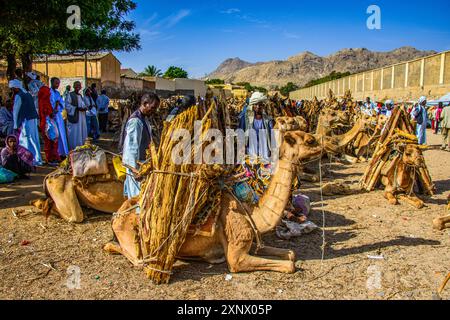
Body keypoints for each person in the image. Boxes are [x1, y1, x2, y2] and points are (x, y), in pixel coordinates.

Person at [122, 93, 160, 200]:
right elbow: (131, 148)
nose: (154, 111)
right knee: (137, 197)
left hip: (142, 164)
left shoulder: (144, 119)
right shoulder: (136, 121)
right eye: (153, 108)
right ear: (145, 103)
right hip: (137, 167)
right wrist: (134, 170)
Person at [9, 79, 42, 165]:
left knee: (27, 139)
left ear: (16, 88)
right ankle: (37, 158)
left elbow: (16, 111)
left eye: (12, 89)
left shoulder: (19, 96)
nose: (12, 91)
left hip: (26, 120)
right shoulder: (28, 94)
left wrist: (15, 125)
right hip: (33, 119)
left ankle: (29, 159)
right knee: (34, 138)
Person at [239, 92, 274, 162]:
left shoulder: (268, 120)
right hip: (250, 151)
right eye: (256, 104)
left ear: (263, 106)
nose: (258, 107)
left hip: (265, 152)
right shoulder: (246, 119)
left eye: (260, 105)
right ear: (252, 105)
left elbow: (271, 136)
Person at [38, 85, 60, 164]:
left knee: (51, 141)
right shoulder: (44, 102)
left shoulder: (44, 101)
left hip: (47, 123)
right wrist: (56, 106)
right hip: (47, 124)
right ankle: (50, 158)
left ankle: (52, 157)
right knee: (50, 141)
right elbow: (49, 113)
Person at [65, 81, 88, 150]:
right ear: (74, 86)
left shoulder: (80, 96)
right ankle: (73, 147)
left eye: (79, 85)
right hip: (75, 117)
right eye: (76, 85)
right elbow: (67, 105)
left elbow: (82, 104)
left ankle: (81, 146)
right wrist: (76, 108)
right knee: (74, 133)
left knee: (81, 131)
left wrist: (84, 108)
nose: (78, 87)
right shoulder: (70, 95)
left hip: (81, 117)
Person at [50, 77, 69, 158]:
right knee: (54, 134)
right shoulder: (49, 93)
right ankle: (55, 153)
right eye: (56, 83)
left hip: (58, 115)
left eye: (58, 83)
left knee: (61, 134)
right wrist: (56, 105)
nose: (57, 85)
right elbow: (50, 104)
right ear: (52, 83)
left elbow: (62, 103)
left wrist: (58, 104)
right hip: (51, 116)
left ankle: (62, 152)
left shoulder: (57, 93)